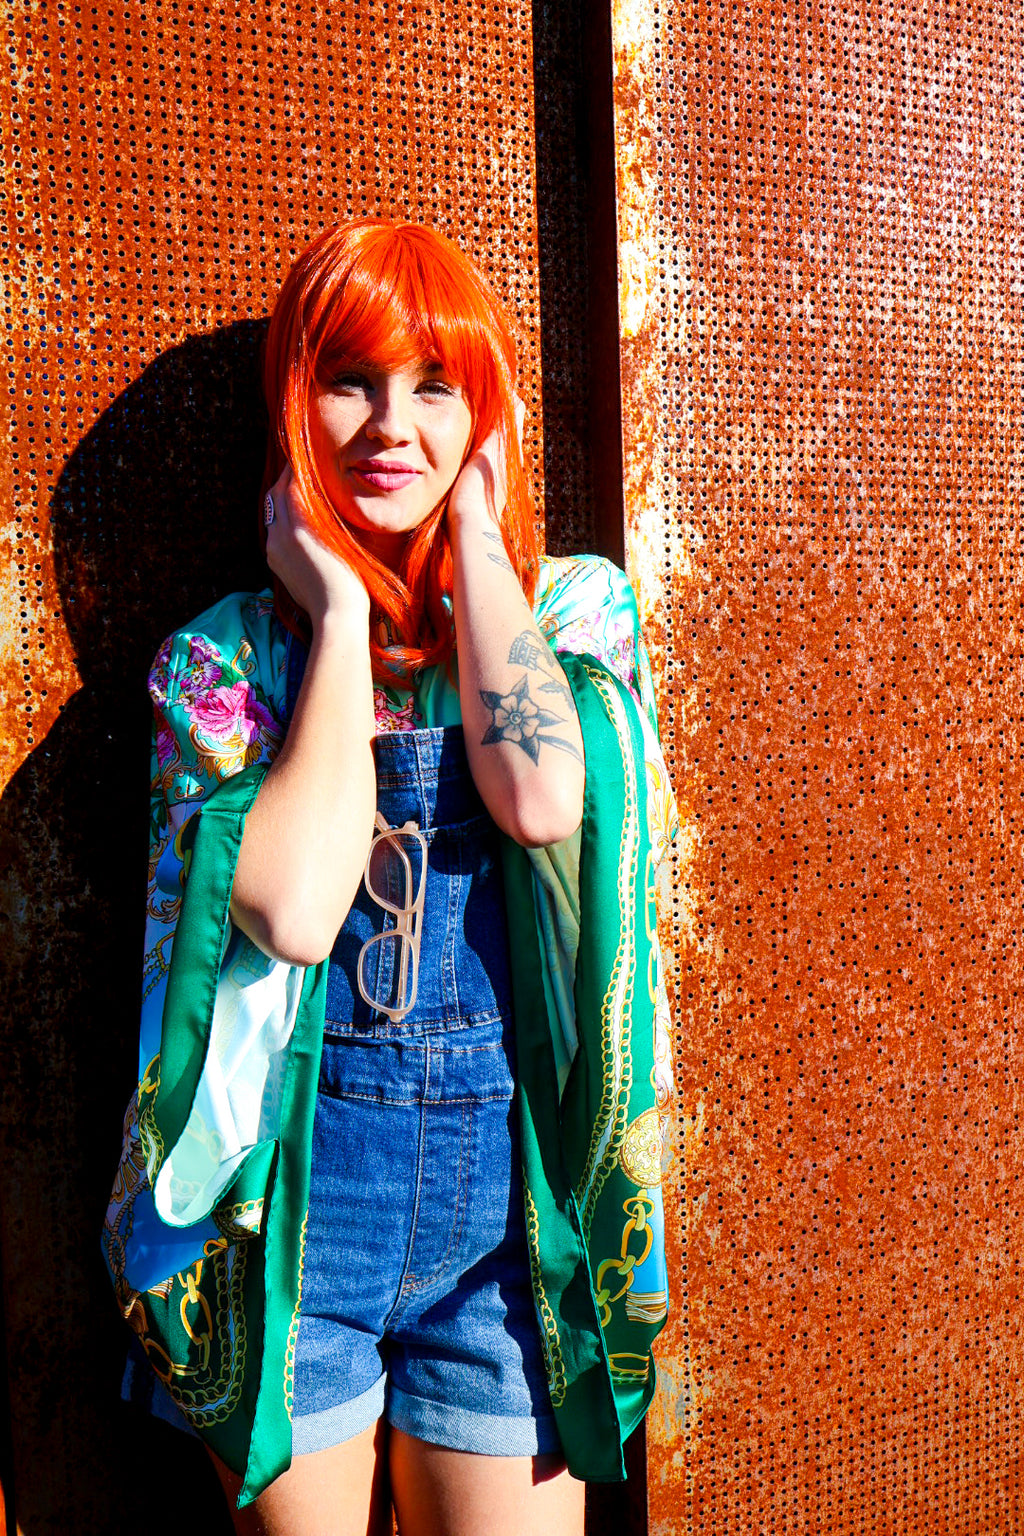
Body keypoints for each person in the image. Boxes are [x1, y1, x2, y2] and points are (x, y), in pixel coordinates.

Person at [103, 218, 677, 1536]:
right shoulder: (229, 662)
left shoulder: (570, 614)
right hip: (296, 1223)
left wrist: (477, 538)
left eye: (434, 386)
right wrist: (345, 619)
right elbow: (299, 913)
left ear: (483, 416)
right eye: (351, 381)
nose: (386, 425)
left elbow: (538, 801)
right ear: (298, 404)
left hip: (507, 1238)